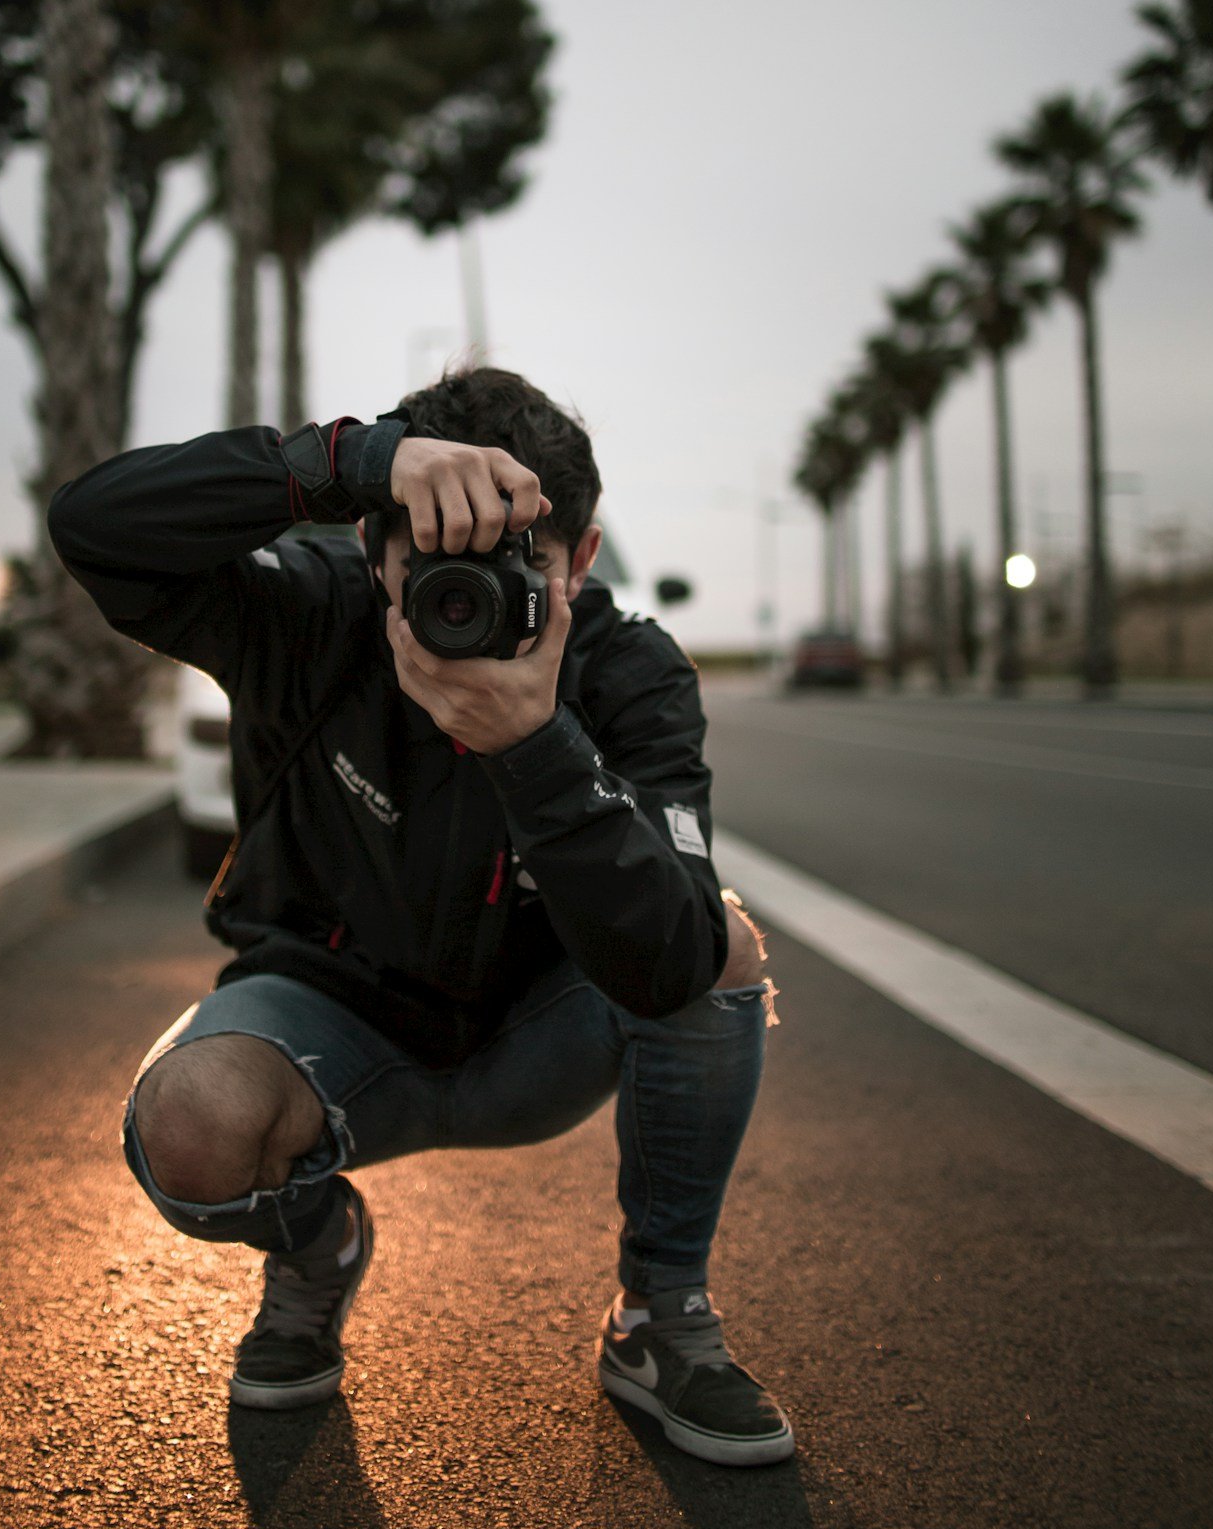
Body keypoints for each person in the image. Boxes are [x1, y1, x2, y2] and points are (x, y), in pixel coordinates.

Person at [48, 367, 792, 1467]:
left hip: (541, 1032)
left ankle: (659, 1318)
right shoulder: (306, 616)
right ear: (372, 549)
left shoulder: (630, 672)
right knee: (188, 1126)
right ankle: (313, 1248)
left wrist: (532, 749)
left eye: (517, 565)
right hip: (327, 1017)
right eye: (434, 563)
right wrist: (351, 459)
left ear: (579, 562)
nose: (467, 603)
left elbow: (673, 960)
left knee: (722, 939)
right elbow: (92, 525)